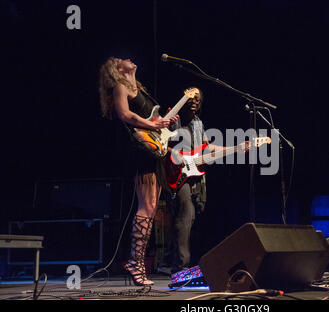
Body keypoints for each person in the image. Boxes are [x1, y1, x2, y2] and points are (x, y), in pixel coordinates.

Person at [98, 57, 178, 286]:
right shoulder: (120, 87)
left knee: (152, 208)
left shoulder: (139, 88)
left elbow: (150, 120)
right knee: (147, 206)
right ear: (116, 69)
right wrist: (153, 125)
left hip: (153, 149)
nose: (128, 59)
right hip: (139, 152)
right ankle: (135, 262)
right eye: (121, 59)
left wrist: (164, 122)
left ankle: (138, 261)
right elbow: (125, 114)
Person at [159, 87, 247, 274]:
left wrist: (236, 147)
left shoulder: (198, 123)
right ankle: (180, 267)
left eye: (197, 99)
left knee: (189, 217)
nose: (194, 101)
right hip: (174, 173)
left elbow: (207, 148)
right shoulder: (173, 118)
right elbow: (157, 142)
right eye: (190, 98)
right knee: (186, 214)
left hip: (193, 175)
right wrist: (172, 152)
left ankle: (175, 263)